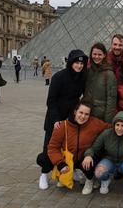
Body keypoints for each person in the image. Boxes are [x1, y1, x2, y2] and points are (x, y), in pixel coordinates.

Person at [37, 50, 88, 190]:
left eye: (81, 63)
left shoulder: (82, 77)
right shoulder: (59, 77)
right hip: (55, 117)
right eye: (77, 63)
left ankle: (70, 170)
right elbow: (51, 101)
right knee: (50, 147)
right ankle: (43, 174)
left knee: (70, 146)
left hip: (71, 118)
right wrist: (56, 120)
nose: (79, 66)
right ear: (71, 62)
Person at [37, 101, 111, 194]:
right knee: (43, 158)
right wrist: (60, 163)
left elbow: (111, 128)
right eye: (81, 112)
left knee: (90, 162)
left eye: (86, 114)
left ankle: (89, 179)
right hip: (68, 158)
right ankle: (66, 174)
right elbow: (52, 147)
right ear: (75, 112)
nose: (83, 116)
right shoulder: (62, 126)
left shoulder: (94, 123)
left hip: (84, 158)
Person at [83, 111, 123, 196]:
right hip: (109, 160)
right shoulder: (106, 134)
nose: (119, 128)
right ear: (114, 124)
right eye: (117, 125)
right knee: (98, 172)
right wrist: (88, 155)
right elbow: (94, 148)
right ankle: (105, 180)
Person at [82, 43, 117, 123]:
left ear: (104, 55)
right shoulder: (88, 71)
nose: (96, 57)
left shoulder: (109, 74)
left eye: (99, 54)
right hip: (86, 114)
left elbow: (111, 100)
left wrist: (108, 122)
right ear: (91, 54)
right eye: (94, 54)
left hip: (100, 116)